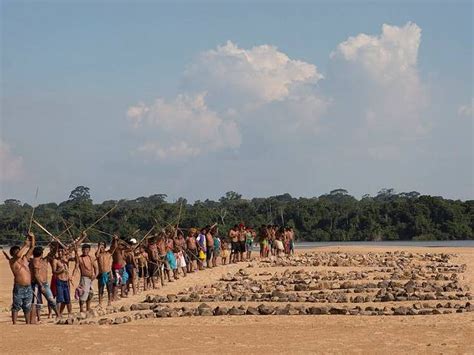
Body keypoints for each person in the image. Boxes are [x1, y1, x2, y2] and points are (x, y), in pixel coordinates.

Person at [5, 232, 35, 324]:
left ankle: (28, 323)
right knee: (16, 306)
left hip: (28, 287)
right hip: (19, 287)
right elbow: (18, 255)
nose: (19, 252)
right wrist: (25, 245)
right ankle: (14, 323)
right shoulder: (12, 261)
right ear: (12, 254)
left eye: (19, 250)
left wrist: (32, 237)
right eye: (17, 251)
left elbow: (32, 247)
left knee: (27, 306)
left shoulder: (25, 259)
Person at [30, 245, 59, 319]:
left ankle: (58, 315)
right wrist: (41, 285)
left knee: (51, 300)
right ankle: (38, 317)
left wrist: (56, 245)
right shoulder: (35, 261)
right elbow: (36, 275)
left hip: (45, 283)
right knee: (37, 302)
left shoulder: (44, 260)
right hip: (37, 284)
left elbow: (52, 253)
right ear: (41, 253)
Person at [53, 246, 74, 318]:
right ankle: (57, 315)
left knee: (67, 299)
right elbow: (54, 272)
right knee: (59, 299)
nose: (59, 253)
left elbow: (74, 257)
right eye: (58, 251)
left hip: (66, 282)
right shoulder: (55, 261)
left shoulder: (66, 259)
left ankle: (69, 313)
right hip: (59, 281)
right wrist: (60, 271)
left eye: (61, 251)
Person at [75, 243, 97, 312]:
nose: (85, 251)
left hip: (91, 279)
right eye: (84, 250)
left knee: (90, 293)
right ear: (82, 250)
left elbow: (96, 268)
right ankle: (81, 308)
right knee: (83, 293)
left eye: (87, 249)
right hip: (84, 278)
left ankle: (88, 307)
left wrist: (95, 275)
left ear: (89, 250)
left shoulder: (91, 258)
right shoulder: (80, 258)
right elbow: (76, 267)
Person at [96, 237, 117, 307]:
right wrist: (99, 247)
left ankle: (109, 302)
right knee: (100, 289)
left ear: (105, 247)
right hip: (101, 274)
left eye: (102, 247)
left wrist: (114, 240)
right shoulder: (98, 254)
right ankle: (100, 303)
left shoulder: (108, 253)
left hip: (108, 273)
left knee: (109, 289)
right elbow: (97, 255)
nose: (101, 248)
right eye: (100, 247)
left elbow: (114, 247)